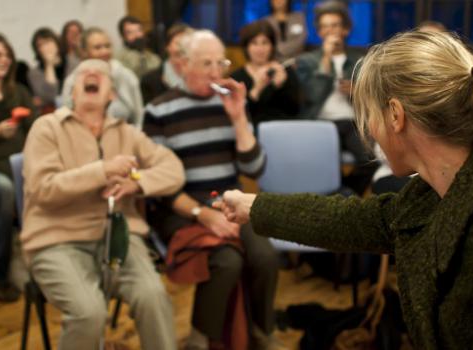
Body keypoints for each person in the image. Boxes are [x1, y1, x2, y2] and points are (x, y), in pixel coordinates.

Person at [215, 31, 473, 349]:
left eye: (369, 116)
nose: (370, 132)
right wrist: (252, 206)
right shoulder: (425, 198)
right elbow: (344, 220)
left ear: (395, 115)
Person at [21, 59, 185, 350]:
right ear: (73, 92)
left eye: (101, 74)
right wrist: (103, 170)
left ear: (112, 95)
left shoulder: (126, 133)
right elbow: (43, 188)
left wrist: (138, 182)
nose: (92, 73)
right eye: (83, 72)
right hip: (56, 239)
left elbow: (173, 170)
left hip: (118, 237)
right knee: (89, 313)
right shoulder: (47, 128)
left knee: (154, 297)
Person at [143, 30, 281, 350]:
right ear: (183, 65)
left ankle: (262, 332)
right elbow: (154, 182)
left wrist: (237, 119)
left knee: (265, 257)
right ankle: (200, 337)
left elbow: (254, 169)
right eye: (206, 63)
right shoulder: (159, 110)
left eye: (220, 62)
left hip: (229, 199)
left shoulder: (230, 102)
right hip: (180, 205)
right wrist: (202, 213)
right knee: (227, 261)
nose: (215, 72)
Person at [295, 0, 376, 195]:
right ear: (319, 32)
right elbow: (312, 95)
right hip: (318, 122)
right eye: (324, 27)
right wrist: (325, 59)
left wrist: (357, 91)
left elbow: (372, 98)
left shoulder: (360, 60)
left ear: (345, 30)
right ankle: (340, 197)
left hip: (351, 122)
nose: (330, 31)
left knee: (371, 159)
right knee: (325, 164)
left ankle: (345, 194)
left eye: (335, 25)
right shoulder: (307, 61)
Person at [0, 34, 35, 302]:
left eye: (7, 55)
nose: (3, 60)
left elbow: (36, 130)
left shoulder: (19, 92)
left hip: (22, 163)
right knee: (2, 187)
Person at [61, 27, 144, 127]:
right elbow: (67, 119)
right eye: (97, 47)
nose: (104, 51)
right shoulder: (72, 81)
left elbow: (139, 117)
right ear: (84, 51)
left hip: (126, 138)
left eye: (107, 46)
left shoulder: (126, 76)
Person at [230, 20, 300, 130]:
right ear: (246, 47)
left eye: (265, 43)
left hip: (284, 131)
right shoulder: (236, 77)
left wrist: (280, 86)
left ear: (272, 46)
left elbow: (296, 110)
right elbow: (239, 115)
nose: (260, 49)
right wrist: (256, 90)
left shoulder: (285, 71)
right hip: (250, 133)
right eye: (254, 43)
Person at [140, 23, 193, 104]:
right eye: (178, 43)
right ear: (167, 47)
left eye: (187, 44)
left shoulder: (203, 79)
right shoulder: (149, 81)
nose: (182, 48)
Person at [27, 27, 67, 114]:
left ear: (56, 42)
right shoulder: (34, 73)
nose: (45, 47)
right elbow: (49, 96)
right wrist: (49, 64)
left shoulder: (72, 62)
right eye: (40, 45)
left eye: (48, 42)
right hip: (51, 115)